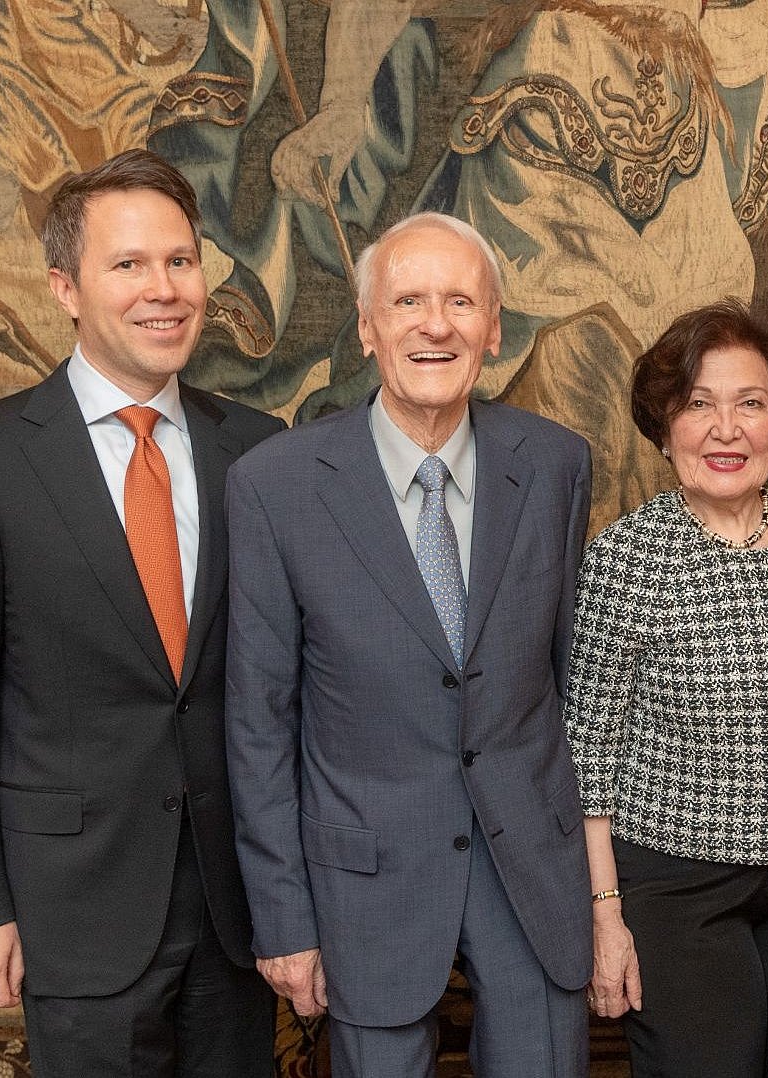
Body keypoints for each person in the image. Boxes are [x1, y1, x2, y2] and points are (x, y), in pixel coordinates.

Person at [0, 148, 282, 1075]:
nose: (165, 289)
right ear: (65, 287)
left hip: (239, 914)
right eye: (129, 265)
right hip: (72, 909)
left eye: (180, 261)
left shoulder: (262, 454)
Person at [224, 211, 594, 1076]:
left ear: (494, 327)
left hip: (531, 874)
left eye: (461, 302)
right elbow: (258, 722)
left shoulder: (555, 465)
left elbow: (577, 684)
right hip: (364, 884)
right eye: (409, 301)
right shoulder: (276, 486)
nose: (437, 324)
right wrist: (283, 918)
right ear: (367, 327)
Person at [566, 300, 768, 1075]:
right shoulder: (625, 560)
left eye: (750, 403)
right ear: (664, 425)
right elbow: (588, 768)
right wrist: (606, 919)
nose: (726, 428)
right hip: (674, 892)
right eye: (698, 405)